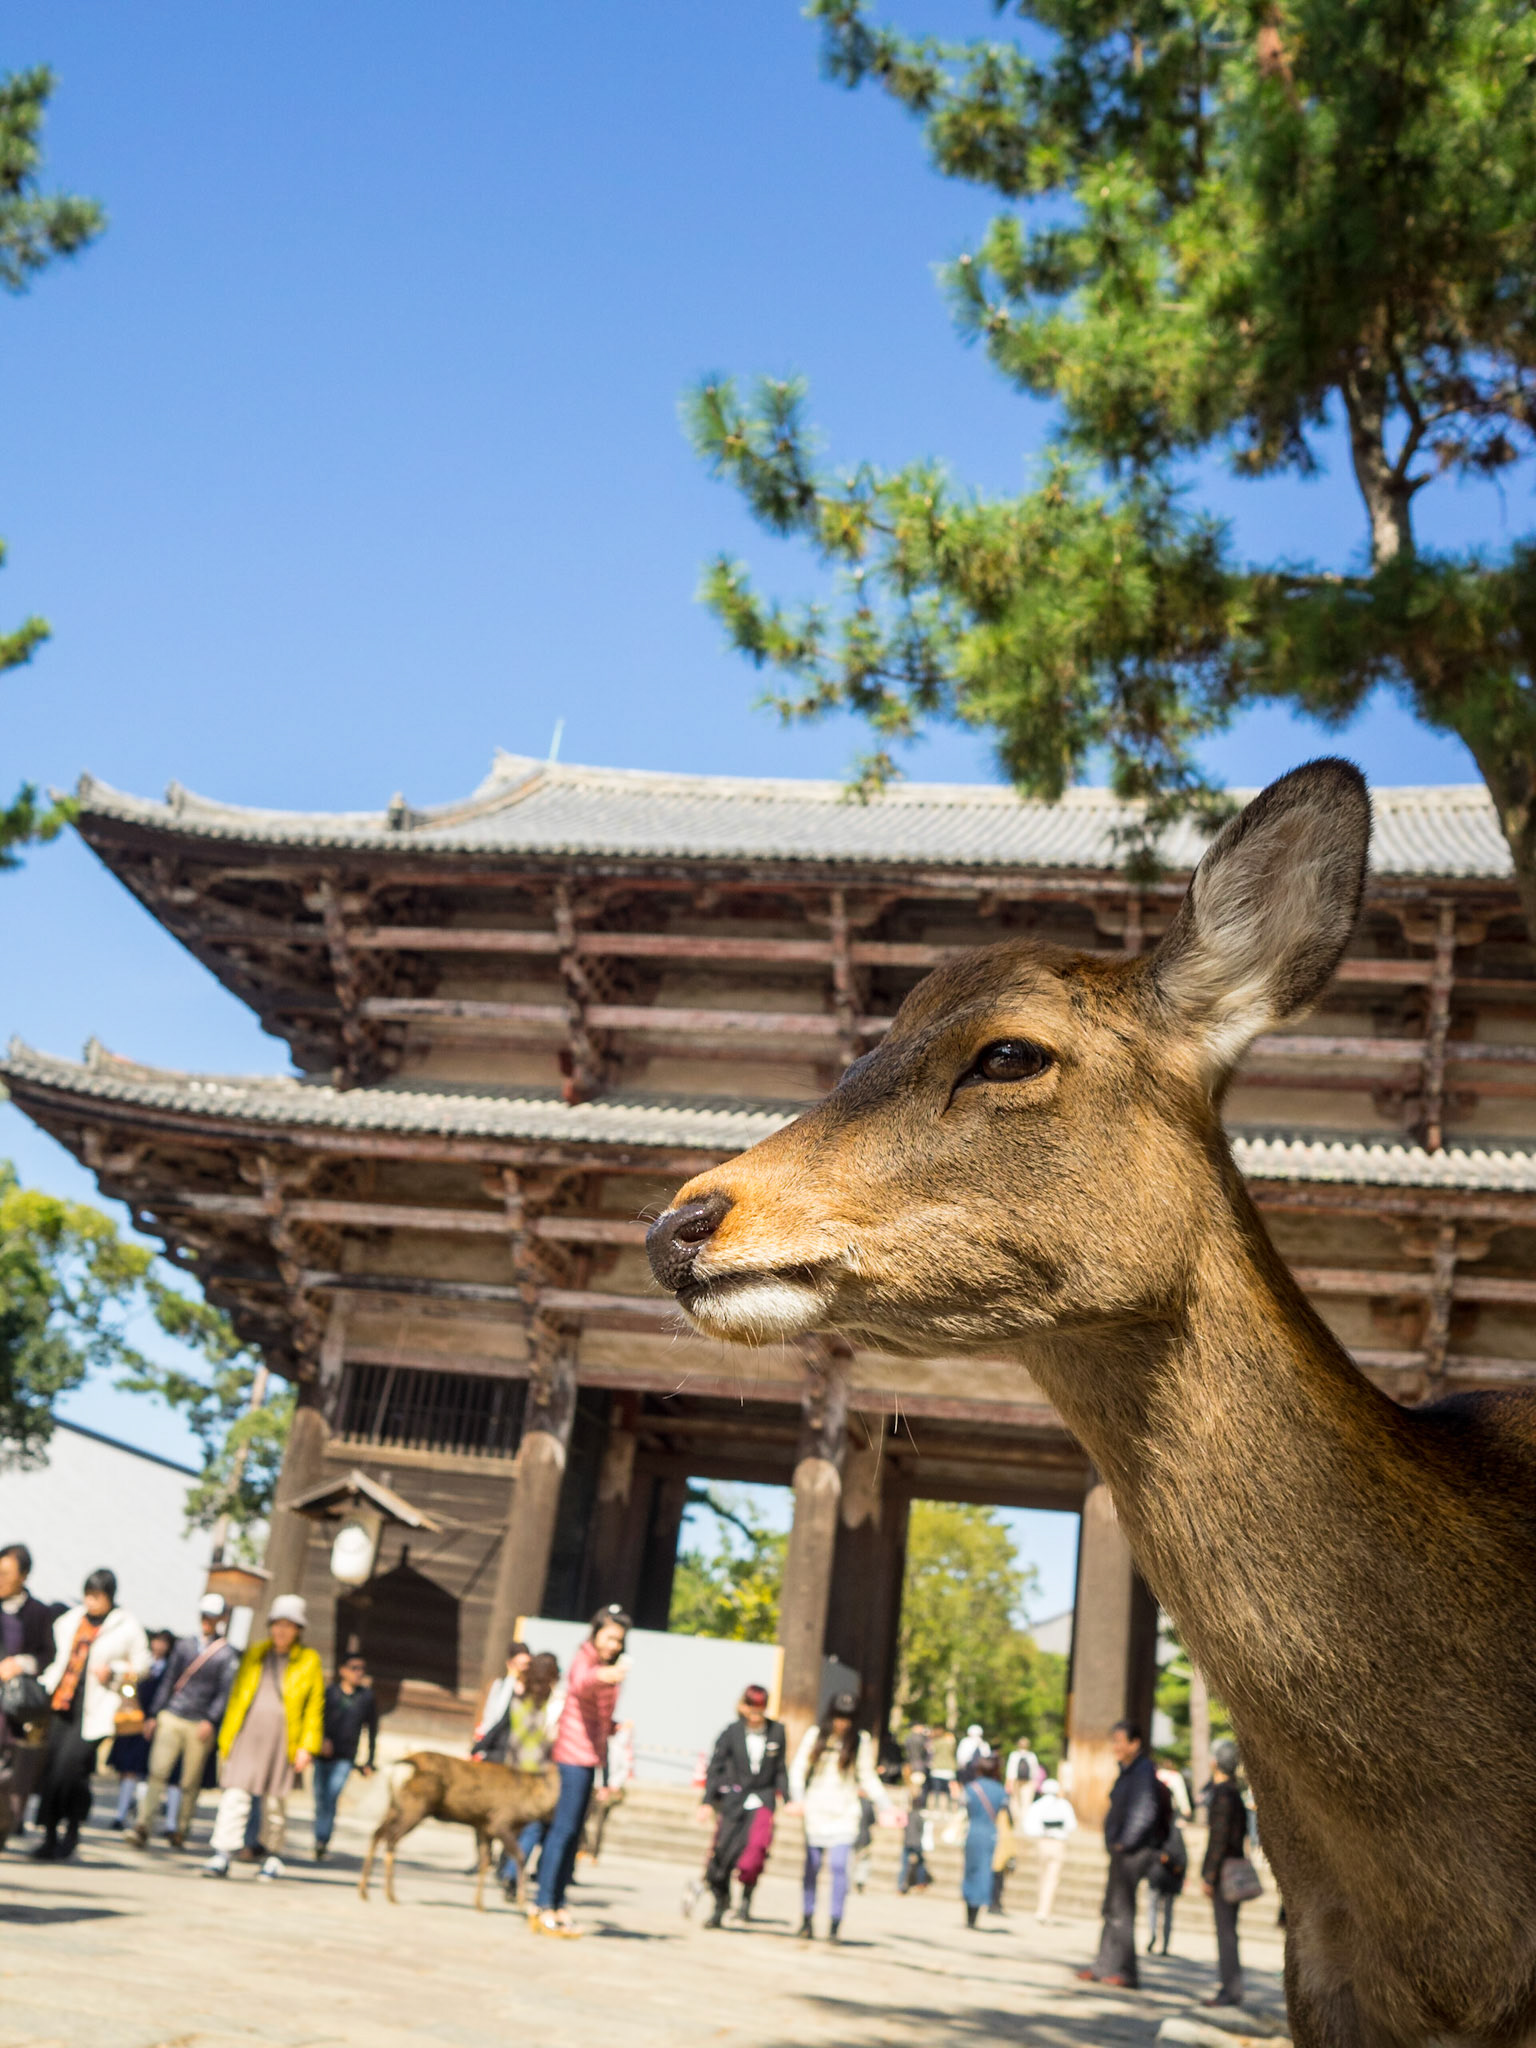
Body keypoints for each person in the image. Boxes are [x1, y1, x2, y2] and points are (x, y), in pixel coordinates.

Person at [204, 1592, 324, 1881]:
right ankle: (222, 1853)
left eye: (289, 1625)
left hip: (283, 1740)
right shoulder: (256, 1654)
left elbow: (315, 1707)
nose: (281, 1630)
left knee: (274, 1803)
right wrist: (227, 1737)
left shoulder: (308, 1661)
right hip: (248, 1735)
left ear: (298, 1629)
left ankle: (272, 1855)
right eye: (277, 1624)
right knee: (235, 1795)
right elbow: (237, 1696)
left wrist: (308, 1746)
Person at [35, 1568, 150, 1861]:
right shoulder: (71, 1620)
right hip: (62, 1704)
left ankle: (71, 1832)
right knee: (51, 1772)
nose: (92, 1601)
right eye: (88, 1594)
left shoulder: (126, 1626)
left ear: (110, 1597)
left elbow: (143, 1665)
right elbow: (54, 1655)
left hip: (96, 1710)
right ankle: (49, 1835)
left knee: (70, 1771)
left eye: (97, 1595)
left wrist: (115, 1671)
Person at [530, 1606, 629, 1936]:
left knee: (574, 1836)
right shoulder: (585, 1658)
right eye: (610, 1636)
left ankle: (558, 1901)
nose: (614, 1644)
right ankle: (543, 1902)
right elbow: (580, 1684)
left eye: (620, 1640)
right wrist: (603, 1676)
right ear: (596, 1632)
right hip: (571, 1756)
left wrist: (614, 1727)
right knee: (562, 1831)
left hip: (591, 1759)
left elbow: (596, 1712)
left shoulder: (607, 1665)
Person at [132, 1593, 238, 1850]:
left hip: (200, 1723)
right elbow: (169, 1680)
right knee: (157, 1771)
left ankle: (181, 1828)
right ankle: (143, 1825)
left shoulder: (227, 1655)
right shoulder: (184, 1646)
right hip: (173, 1714)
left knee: (190, 1781)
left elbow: (225, 1692)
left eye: (212, 1617)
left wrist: (211, 1720)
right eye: (204, 1616)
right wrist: (156, 1713)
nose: (207, 1621)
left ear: (221, 1619)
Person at [788, 1691, 891, 1941]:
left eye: (847, 1718)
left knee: (839, 1867)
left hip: (845, 1811)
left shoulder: (860, 1741)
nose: (842, 1723)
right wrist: (798, 1799)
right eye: (838, 1717)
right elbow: (798, 1768)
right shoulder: (816, 1735)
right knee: (811, 1867)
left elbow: (867, 1776)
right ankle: (807, 1917)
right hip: (816, 1807)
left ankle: (835, 1921)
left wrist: (886, 1805)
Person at [1077, 1719, 1171, 1988]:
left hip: (1134, 1851)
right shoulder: (1129, 1771)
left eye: (1120, 1741)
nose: (1116, 1747)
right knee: (1111, 1909)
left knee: (1122, 1911)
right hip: (1122, 1850)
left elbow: (1145, 1811)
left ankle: (1127, 1972)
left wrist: (1125, 1842)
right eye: (1114, 1741)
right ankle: (1103, 1965)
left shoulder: (1142, 1771)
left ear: (1135, 1743)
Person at [695, 1682, 788, 1928]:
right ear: (744, 1707)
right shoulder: (731, 1733)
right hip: (734, 1801)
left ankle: (746, 1898)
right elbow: (714, 1768)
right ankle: (720, 1904)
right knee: (721, 1855)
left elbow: (780, 1770)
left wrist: (788, 1798)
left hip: (762, 1799)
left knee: (755, 1852)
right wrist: (706, 1802)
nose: (756, 1714)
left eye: (761, 1708)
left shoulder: (777, 1732)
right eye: (752, 1707)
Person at [0, 1542, 58, 1838]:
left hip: (13, 1706)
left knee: (9, 1774)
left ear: (23, 1576)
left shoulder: (38, 1612)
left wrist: (20, 1663)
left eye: (6, 1573)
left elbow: (48, 1654)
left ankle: (5, 1826)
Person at [312, 1650, 378, 1859]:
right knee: (320, 1797)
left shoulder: (366, 1697)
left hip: (345, 1756)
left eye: (362, 1669)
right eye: (354, 1668)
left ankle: (323, 1838)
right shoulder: (330, 1692)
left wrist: (369, 1759)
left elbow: (373, 1729)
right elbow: (316, 1718)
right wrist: (320, 1740)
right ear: (342, 1670)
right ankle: (320, 1835)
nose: (358, 1673)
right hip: (322, 1754)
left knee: (332, 1795)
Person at [1202, 1739, 1251, 2007]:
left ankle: (1230, 1990)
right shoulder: (1235, 1792)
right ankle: (1231, 1987)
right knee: (1229, 1931)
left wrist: (1208, 1875)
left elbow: (1217, 1839)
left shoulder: (1222, 1794)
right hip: (1235, 1866)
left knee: (1226, 1933)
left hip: (1224, 1872)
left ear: (1215, 1762)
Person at [109, 1627, 173, 1827]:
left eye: (164, 1642)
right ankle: (121, 1813)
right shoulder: (137, 1666)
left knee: (145, 1771)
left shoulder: (169, 1669)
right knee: (127, 1769)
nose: (159, 1646)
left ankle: (140, 1816)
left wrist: (153, 1716)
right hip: (132, 1719)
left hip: (153, 1723)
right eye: (156, 1640)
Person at [961, 1752, 1009, 1928]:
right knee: (984, 1871)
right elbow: (1007, 1813)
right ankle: (977, 1908)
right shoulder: (1000, 1791)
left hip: (973, 1831)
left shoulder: (971, 1788)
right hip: (990, 1833)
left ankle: (969, 1912)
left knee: (971, 1871)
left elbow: (962, 1807)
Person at [1022, 1775, 1077, 1923]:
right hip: (1057, 1843)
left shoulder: (1037, 1805)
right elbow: (1071, 1825)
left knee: (1043, 1877)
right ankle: (1044, 1910)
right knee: (1051, 1879)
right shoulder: (1064, 1805)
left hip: (1043, 1843)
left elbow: (1029, 1827)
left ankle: (1041, 1910)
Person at [472, 1640, 531, 1762]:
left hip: (514, 1748)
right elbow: (488, 1714)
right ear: (510, 1664)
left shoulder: (530, 1692)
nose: (524, 1669)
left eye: (527, 1664)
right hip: (492, 1743)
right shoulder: (499, 1686)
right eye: (520, 1664)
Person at [1146, 1801, 1188, 1955]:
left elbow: (1181, 1858)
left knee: (1157, 1909)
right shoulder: (1169, 1830)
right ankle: (1158, 1939)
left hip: (1163, 1876)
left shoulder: (1163, 1830)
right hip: (1163, 1876)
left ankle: (1159, 1939)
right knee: (1161, 1910)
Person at [898, 1775, 932, 1893]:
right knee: (920, 1864)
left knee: (904, 1865)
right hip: (916, 1842)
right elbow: (921, 1830)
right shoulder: (919, 1816)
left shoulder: (908, 1814)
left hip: (907, 1841)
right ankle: (921, 1883)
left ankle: (901, 1886)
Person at [1005, 1734, 1042, 1824]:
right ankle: (1021, 1821)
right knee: (1023, 1802)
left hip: (1022, 1781)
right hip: (1020, 1781)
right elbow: (1035, 1771)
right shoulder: (1030, 1756)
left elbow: (1010, 1770)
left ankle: (1020, 1821)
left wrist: (1008, 1782)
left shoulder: (1015, 1755)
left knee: (1018, 1802)